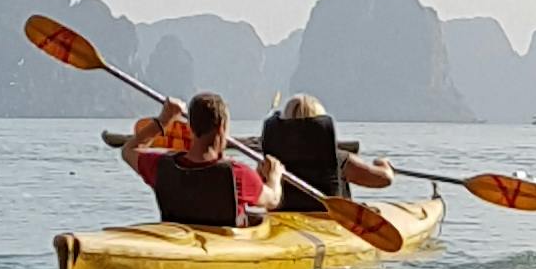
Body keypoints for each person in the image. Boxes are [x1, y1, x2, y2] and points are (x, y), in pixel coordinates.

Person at [120, 91, 285, 226]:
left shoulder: (160, 166)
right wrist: (274, 176)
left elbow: (129, 150)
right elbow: (273, 199)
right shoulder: (238, 174)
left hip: (179, 244)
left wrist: (164, 120)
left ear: (190, 127)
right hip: (224, 251)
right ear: (222, 127)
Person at [257, 93, 396, 206]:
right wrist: (384, 164)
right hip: (328, 225)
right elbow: (384, 179)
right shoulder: (338, 159)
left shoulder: (269, 163)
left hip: (284, 224)